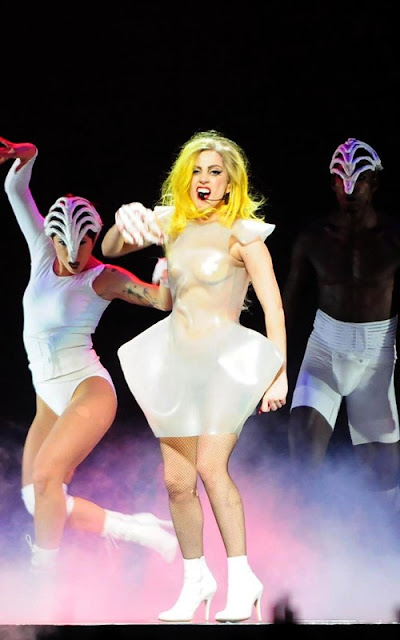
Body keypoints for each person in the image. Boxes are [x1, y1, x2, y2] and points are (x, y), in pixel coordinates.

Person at [101, 130, 288, 623]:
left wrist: (279, 375)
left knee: (210, 466)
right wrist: (124, 218)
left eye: (215, 171)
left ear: (230, 182)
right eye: (197, 171)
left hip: (225, 365)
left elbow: (273, 307)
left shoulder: (244, 235)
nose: (204, 179)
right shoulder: (172, 223)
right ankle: (196, 579)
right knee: (177, 481)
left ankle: (243, 579)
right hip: (176, 362)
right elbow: (112, 247)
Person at [0, 136, 178, 574]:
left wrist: (167, 269)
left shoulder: (104, 276)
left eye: (84, 243)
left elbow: (161, 301)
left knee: (46, 479)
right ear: (52, 237)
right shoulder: (41, 253)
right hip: (48, 396)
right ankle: (141, 531)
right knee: (38, 498)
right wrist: (29, 156)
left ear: (94, 237)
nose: (74, 254)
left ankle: (44, 580)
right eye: (64, 244)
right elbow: (15, 190)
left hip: (88, 390)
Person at [283, 137, 400, 511]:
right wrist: (272, 365)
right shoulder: (314, 238)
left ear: (374, 182)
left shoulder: (394, 237)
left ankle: (378, 544)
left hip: (377, 360)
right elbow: (286, 303)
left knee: (385, 484)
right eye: (341, 179)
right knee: (302, 460)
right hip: (324, 352)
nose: (349, 189)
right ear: (332, 183)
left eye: (359, 179)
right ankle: (304, 540)